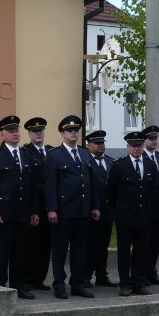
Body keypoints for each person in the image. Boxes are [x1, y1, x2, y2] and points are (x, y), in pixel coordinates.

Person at [44, 114, 101, 299]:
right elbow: (50, 184)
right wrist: (51, 208)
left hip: (83, 210)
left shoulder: (85, 154)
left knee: (80, 249)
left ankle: (77, 283)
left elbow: (92, 181)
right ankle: (59, 284)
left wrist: (95, 206)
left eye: (75, 130)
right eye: (69, 130)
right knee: (60, 250)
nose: (73, 133)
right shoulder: (55, 155)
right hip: (63, 211)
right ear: (62, 134)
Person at [0, 115, 40, 299]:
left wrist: (34, 210)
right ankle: (0, 285)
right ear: (3, 134)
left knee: (20, 250)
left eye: (16, 130)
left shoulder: (26, 155)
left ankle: (18, 285)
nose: (15, 134)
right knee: (2, 250)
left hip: (23, 211)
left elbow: (31, 185)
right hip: (4, 212)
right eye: (10, 131)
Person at [107, 132, 159, 296]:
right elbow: (111, 191)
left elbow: (155, 190)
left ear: (143, 146)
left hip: (144, 215)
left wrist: (151, 211)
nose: (136, 149)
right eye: (133, 146)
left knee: (142, 251)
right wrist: (118, 210)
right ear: (128, 147)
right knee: (124, 251)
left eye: (139, 146)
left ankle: (139, 283)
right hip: (125, 215)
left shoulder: (150, 165)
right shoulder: (119, 165)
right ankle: (125, 284)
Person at [21, 116, 52, 290]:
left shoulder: (51, 151)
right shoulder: (25, 152)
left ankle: (40, 278)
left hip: (51, 204)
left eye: (40, 131)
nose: (38, 134)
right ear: (29, 133)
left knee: (46, 243)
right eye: (35, 131)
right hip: (34, 203)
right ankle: (27, 277)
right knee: (31, 243)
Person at [85, 130, 116, 287]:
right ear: (88, 145)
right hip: (91, 210)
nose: (101, 146)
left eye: (102, 143)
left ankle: (101, 275)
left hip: (107, 210)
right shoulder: (86, 161)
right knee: (90, 245)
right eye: (97, 143)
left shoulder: (111, 162)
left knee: (103, 245)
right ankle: (86, 275)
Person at [141, 124, 159, 286]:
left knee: (156, 242)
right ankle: (142, 273)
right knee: (144, 242)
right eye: (150, 139)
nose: (154, 141)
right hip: (146, 208)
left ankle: (152, 272)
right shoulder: (140, 158)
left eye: (155, 138)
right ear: (144, 140)